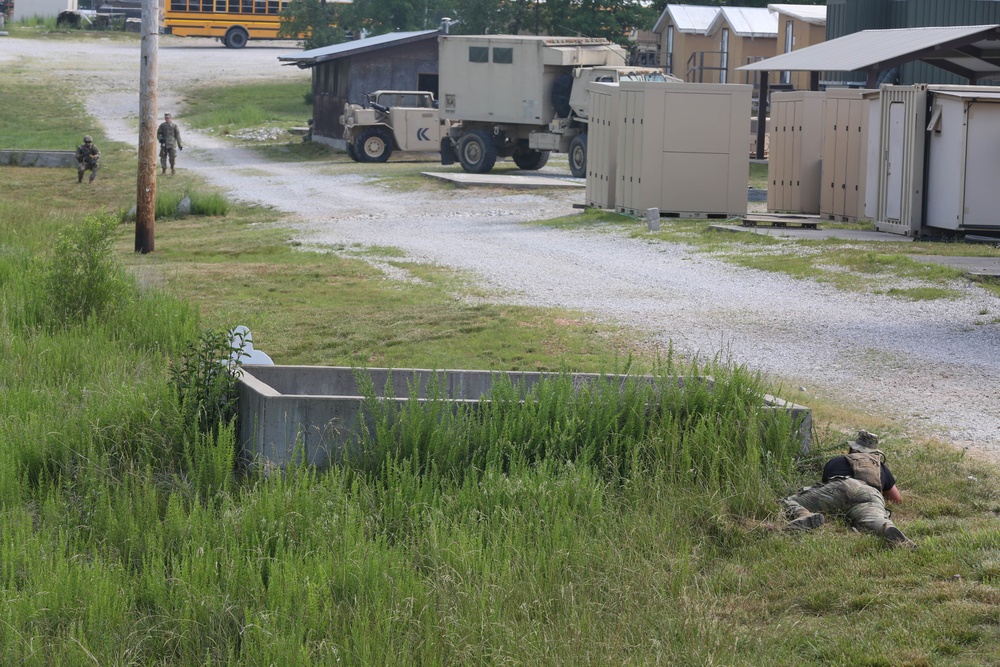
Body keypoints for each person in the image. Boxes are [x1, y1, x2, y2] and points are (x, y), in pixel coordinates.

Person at [780, 430, 916, 548]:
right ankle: (885, 526)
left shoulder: (837, 461)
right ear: (875, 453)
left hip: (842, 486)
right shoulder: (881, 467)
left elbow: (826, 483)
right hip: (870, 494)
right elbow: (896, 499)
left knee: (786, 501)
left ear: (852, 449)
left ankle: (805, 515)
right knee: (872, 518)